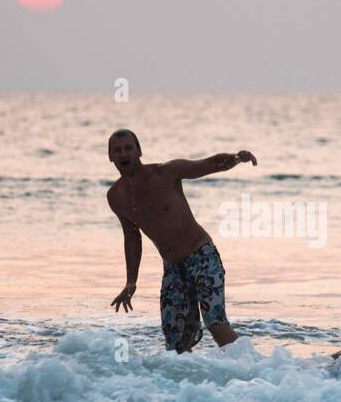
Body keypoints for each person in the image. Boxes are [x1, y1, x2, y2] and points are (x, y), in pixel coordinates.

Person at [105, 129, 257, 352]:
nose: (123, 153)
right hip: (173, 270)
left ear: (139, 151)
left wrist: (236, 158)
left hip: (202, 257)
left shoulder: (166, 173)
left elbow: (209, 164)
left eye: (129, 148)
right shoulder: (116, 196)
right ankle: (189, 387)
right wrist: (131, 282)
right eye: (117, 150)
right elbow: (132, 238)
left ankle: (262, 372)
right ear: (110, 156)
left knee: (216, 324)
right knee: (176, 345)